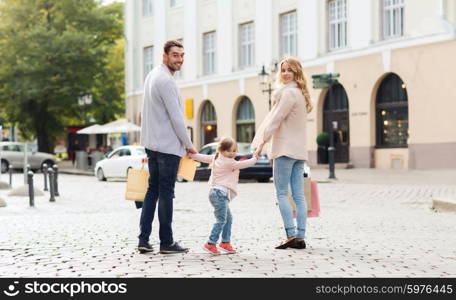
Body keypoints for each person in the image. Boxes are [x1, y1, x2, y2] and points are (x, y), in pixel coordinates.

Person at [138, 40, 197, 254]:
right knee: (166, 194)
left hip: (152, 145)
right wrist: (189, 146)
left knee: (152, 191)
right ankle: (167, 242)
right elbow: (177, 119)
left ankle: (143, 240)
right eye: (175, 55)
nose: (179, 59)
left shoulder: (152, 76)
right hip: (167, 146)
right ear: (164, 55)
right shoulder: (166, 81)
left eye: (182, 55)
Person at [252, 57, 313, 250]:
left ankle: (290, 235)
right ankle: (300, 236)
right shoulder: (301, 95)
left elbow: (275, 121)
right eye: (283, 70)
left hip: (285, 150)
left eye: (290, 70)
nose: (285, 73)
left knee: (281, 193)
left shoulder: (287, 95)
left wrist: (262, 142)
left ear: (297, 73)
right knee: (298, 195)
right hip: (299, 151)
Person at [189, 137, 258, 255]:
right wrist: (254, 158)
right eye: (229, 151)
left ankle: (225, 242)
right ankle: (210, 243)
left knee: (228, 218)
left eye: (234, 150)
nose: (232, 153)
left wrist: (192, 155)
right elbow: (244, 164)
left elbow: (203, 157)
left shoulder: (216, 157)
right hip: (219, 194)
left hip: (216, 193)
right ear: (221, 150)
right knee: (221, 220)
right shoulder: (229, 162)